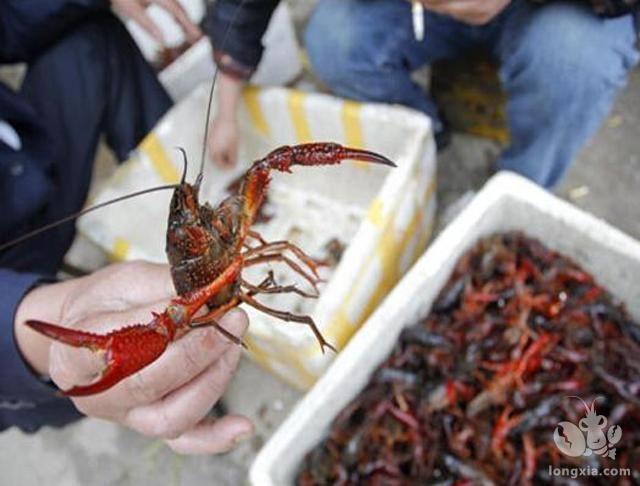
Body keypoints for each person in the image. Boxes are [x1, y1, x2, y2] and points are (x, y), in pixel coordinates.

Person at [0, 0, 253, 454]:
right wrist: (17, 329)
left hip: (22, 158)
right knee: (73, 378)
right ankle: (166, 377)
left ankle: (173, 214)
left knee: (92, 40)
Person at [206, 0, 639, 188]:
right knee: (335, 39)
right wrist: (226, 107)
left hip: (564, 11)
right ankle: (426, 139)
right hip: (424, 13)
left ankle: (517, 188)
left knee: (573, 63)